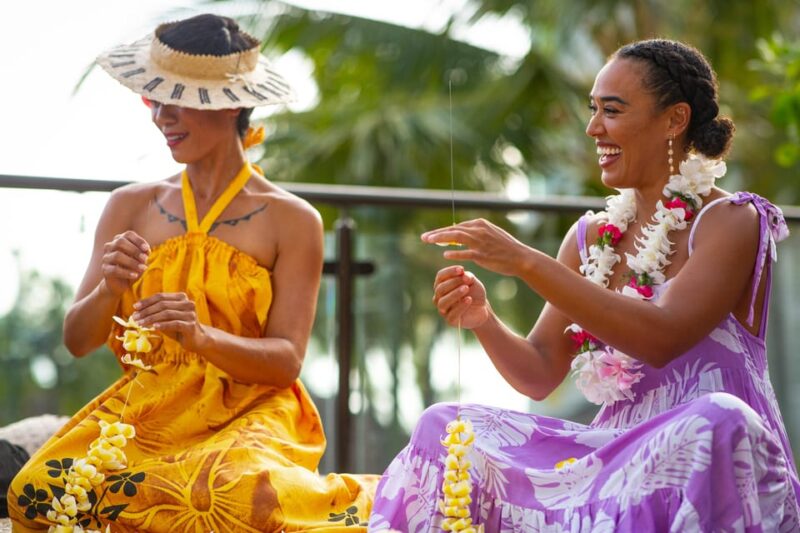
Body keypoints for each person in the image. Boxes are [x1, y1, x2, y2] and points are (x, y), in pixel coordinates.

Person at [368, 39, 800, 531]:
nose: (594, 128)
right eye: (593, 109)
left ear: (675, 120)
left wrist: (526, 262)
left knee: (720, 417)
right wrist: (483, 319)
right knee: (447, 425)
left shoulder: (732, 220)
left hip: (706, 451)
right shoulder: (592, 238)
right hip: (613, 463)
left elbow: (662, 336)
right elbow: (540, 371)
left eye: (611, 111)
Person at [8, 14, 376, 532]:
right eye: (155, 100)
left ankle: (368, 499)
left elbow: (285, 363)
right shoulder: (129, 205)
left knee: (221, 496)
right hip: (149, 405)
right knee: (36, 493)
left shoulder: (294, 221)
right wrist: (110, 288)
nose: (163, 116)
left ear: (232, 105)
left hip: (253, 409)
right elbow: (77, 340)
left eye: (179, 99)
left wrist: (201, 336)